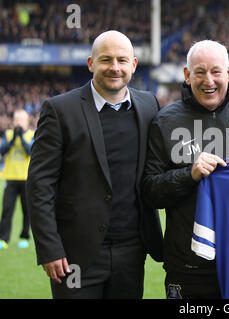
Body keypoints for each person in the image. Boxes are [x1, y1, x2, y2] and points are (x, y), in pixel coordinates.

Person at [142, 40, 229, 299]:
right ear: (187, 75)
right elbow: (150, 192)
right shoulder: (164, 122)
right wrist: (190, 174)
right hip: (190, 267)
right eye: (199, 72)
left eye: (216, 72)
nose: (208, 80)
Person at [27, 30, 163, 299]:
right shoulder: (59, 110)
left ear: (133, 65)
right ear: (91, 63)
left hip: (131, 251)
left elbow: (185, 119)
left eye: (122, 60)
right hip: (74, 256)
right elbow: (40, 185)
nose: (115, 68)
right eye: (106, 60)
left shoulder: (149, 105)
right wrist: (50, 249)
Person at [0, 109, 34, 250]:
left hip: (26, 179)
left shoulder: (32, 134)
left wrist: (21, 138)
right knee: (7, 210)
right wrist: (14, 138)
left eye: (21, 119)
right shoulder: (8, 134)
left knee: (27, 210)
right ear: (13, 121)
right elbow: (2, 151)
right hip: (11, 178)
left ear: (27, 121)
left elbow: (30, 151)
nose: (19, 121)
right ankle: (3, 239)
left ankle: (24, 237)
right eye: (17, 119)